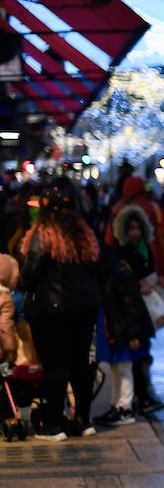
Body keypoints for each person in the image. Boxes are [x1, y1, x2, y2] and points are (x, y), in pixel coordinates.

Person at [17, 185, 101, 440]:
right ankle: (84, 420)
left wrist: (23, 283)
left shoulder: (43, 234)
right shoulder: (83, 234)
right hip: (85, 308)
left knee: (55, 365)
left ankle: (53, 423)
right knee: (80, 364)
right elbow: (96, 268)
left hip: (51, 310)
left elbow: (31, 274)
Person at [94, 208, 156, 428]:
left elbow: (130, 305)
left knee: (124, 367)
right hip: (121, 328)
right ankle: (118, 405)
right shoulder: (115, 270)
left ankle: (125, 407)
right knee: (118, 367)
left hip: (126, 328)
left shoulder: (118, 272)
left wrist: (132, 334)